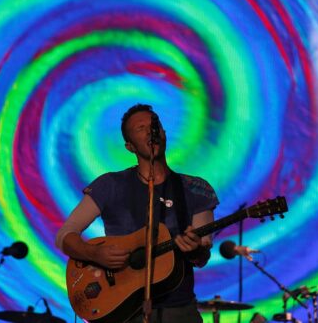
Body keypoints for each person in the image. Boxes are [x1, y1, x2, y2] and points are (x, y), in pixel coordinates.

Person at [56, 104, 219, 323]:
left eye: (154, 125)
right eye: (140, 128)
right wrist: (94, 254)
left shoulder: (195, 189)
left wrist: (195, 250)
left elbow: (202, 258)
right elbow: (65, 236)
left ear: (163, 133)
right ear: (130, 146)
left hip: (178, 310)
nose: (150, 131)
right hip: (121, 309)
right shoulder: (110, 184)